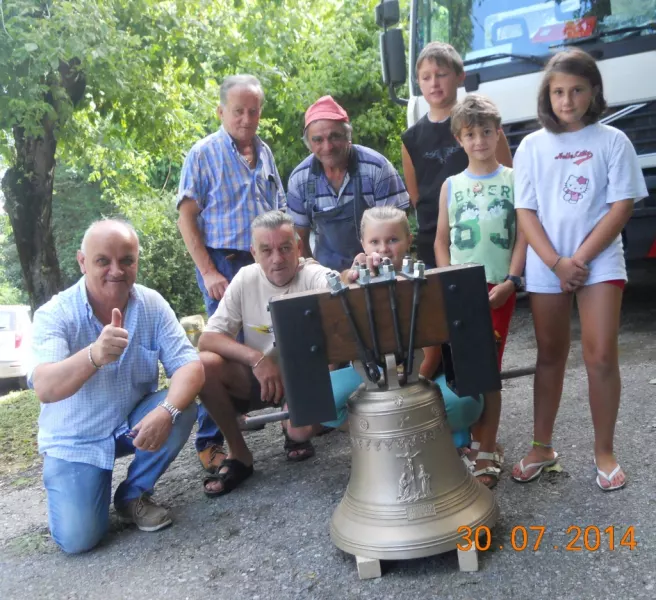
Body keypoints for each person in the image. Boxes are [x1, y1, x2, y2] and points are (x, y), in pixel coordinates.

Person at [511, 49, 647, 490]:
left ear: (593, 92)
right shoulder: (531, 146)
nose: (566, 100)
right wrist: (556, 262)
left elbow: (621, 205)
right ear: (546, 96)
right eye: (557, 92)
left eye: (576, 90)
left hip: (599, 260)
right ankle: (541, 446)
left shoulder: (613, 141)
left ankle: (604, 451)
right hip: (547, 259)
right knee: (550, 355)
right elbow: (526, 211)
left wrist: (580, 260)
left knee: (601, 355)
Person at [28, 219, 204, 554]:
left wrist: (166, 411)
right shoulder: (55, 314)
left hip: (128, 426)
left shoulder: (151, 304)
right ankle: (84, 486)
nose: (116, 270)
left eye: (127, 260)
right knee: (79, 541)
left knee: (182, 406)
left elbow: (190, 365)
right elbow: (45, 387)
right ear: (82, 262)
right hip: (75, 441)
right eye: (102, 261)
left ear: (137, 261)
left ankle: (132, 494)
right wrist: (93, 355)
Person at [197, 211, 362, 497]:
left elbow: (341, 286)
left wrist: (354, 273)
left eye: (285, 248)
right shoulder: (244, 279)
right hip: (257, 377)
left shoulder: (312, 274)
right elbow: (208, 339)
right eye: (267, 250)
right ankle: (239, 455)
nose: (277, 258)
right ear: (254, 253)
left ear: (298, 247)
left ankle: (295, 431)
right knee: (204, 365)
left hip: (301, 375)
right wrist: (256, 360)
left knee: (301, 431)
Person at [177, 74, 286, 474]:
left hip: (266, 261)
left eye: (253, 111)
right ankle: (211, 441)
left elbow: (279, 212)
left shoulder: (265, 152)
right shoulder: (203, 153)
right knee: (219, 349)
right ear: (221, 111)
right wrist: (207, 272)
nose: (246, 118)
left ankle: (294, 422)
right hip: (223, 264)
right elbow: (186, 219)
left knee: (277, 336)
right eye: (238, 111)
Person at [434, 94, 527, 488]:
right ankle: (476, 441)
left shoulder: (513, 179)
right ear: (459, 138)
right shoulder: (451, 185)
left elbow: (524, 234)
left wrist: (512, 281)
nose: (479, 141)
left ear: (498, 133)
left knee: (488, 369)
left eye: (486, 132)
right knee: (467, 367)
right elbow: (440, 240)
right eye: (470, 134)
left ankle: (487, 450)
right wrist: (448, 277)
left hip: (499, 287)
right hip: (461, 288)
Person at [345, 206, 487, 452]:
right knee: (331, 398)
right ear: (362, 244)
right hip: (377, 377)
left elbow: (430, 357)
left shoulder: (422, 282)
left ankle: (442, 437)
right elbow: (341, 280)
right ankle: (389, 440)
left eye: (392, 240)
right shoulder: (360, 278)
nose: (383, 249)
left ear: (409, 240)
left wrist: (401, 398)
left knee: (461, 404)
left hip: (423, 375)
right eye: (374, 241)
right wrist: (352, 274)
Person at [401, 42, 513, 268]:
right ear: (418, 82)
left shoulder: (483, 128)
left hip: (487, 238)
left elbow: (507, 176)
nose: (434, 83)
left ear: (460, 76)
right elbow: (415, 196)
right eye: (426, 77)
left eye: (441, 74)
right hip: (434, 241)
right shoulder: (411, 138)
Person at [287, 95, 410, 272]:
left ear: (348, 136)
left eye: (335, 136)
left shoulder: (376, 169)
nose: (328, 146)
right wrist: (314, 278)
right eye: (318, 140)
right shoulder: (300, 180)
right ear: (309, 144)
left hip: (379, 271)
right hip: (327, 276)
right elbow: (300, 244)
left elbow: (397, 233)